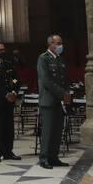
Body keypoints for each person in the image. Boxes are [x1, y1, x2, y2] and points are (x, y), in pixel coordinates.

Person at [36, 35, 67, 169]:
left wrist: (67, 92)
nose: (60, 46)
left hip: (58, 101)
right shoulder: (43, 59)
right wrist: (62, 93)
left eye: (61, 43)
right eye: (58, 43)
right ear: (50, 44)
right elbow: (46, 81)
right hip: (48, 100)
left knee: (57, 130)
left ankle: (54, 157)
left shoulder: (59, 59)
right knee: (48, 131)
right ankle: (44, 158)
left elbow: (64, 79)